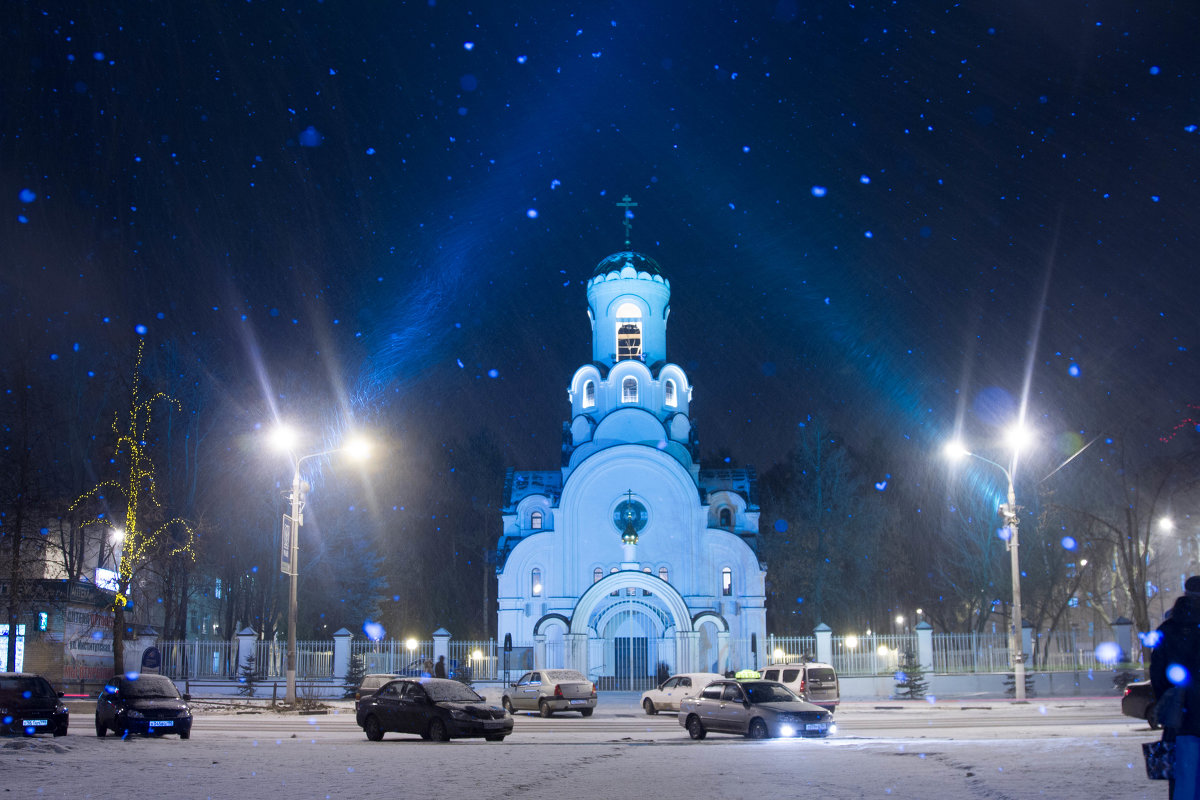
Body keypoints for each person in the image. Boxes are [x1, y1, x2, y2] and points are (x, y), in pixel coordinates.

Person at [1151, 576, 1200, 800]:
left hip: (1180, 719)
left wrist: (1169, 699)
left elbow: (1157, 675)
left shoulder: (1167, 629)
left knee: (1183, 784)